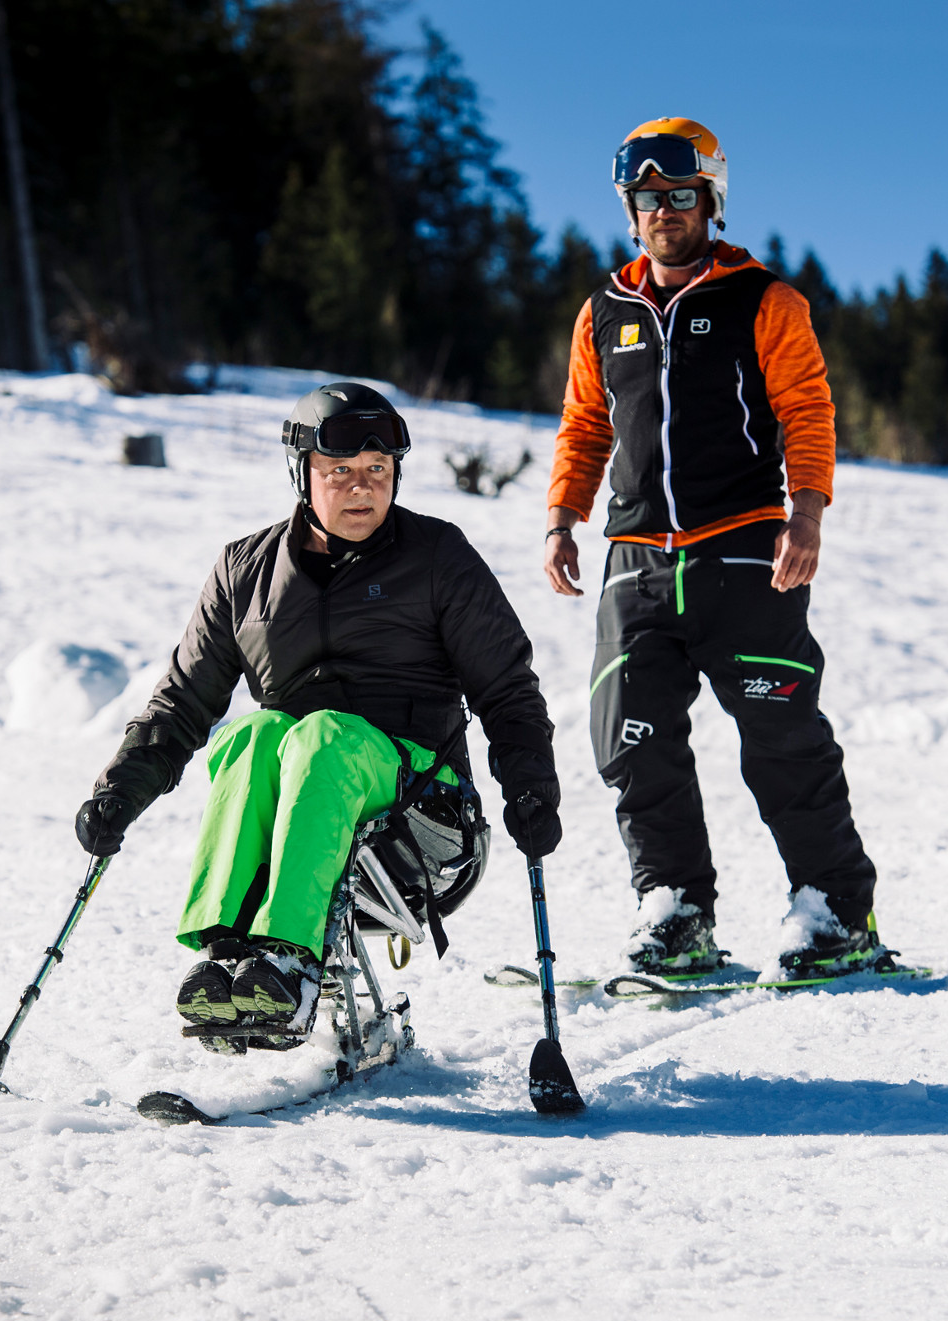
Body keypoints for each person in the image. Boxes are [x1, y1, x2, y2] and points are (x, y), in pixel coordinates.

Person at [75, 382, 561, 1050]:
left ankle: (291, 963)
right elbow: (185, 698)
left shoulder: (438, 558)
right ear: (302, 474)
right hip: (304, 789)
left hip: (422, 812)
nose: (361, 490)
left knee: (322, 735)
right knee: (253, 735)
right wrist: (122, 787)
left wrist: (531, 781)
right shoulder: (244, 571)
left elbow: (506, 686)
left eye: (377, 473)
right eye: (341, 474)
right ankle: (230, 958)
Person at [542, 116, 885, 979]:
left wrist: (805, 515)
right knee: (630, 738)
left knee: (782, 736)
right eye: (647, 198)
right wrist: (560, 519)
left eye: (680, 195)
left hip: (745, 555)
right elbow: (585, 425)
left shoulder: (766, 301)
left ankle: (837, 914)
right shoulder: (604, 314)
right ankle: (676, 910)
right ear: (630, 208)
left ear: (710, 199)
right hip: (637, 562)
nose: (664, 211)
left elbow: (807, 410)